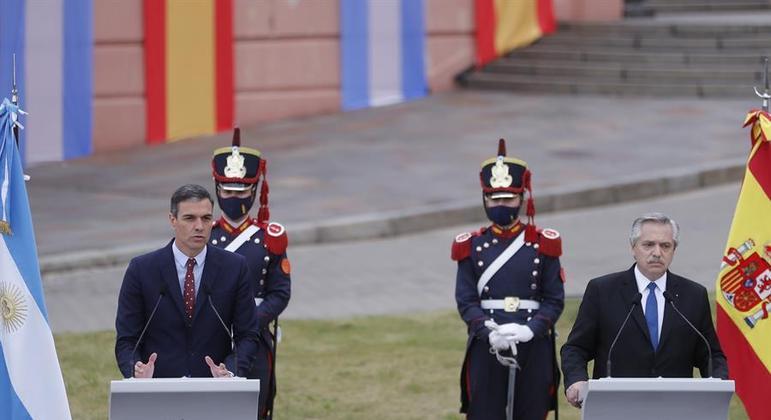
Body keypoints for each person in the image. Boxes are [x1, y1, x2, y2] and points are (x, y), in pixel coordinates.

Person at [560, 212, 729, 408]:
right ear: (633, 247)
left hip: (675, 408)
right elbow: (576, 348)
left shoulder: (694, 295)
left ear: (674, 249)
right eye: (648, 245)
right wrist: (576, 381)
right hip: (615, 407)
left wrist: (718, 385)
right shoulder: (603, 291)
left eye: (665, 246)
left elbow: (711, 355)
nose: (657, 252)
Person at [453, 139, 565, 419]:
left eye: (508, 198)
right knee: (484, 411)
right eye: (494, 199)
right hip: (487, 340)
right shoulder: (472, 245)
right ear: (485, 199)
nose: (501, 205)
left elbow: (554, 299)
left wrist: (532, 329)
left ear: (522, 198)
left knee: (532, 410)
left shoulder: (543, 243)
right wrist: (487, 330)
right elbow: (466, 300)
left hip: (532, 341)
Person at [115, 184, 259, 379]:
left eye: (206, 218)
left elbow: (248, 336)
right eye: (190, 218)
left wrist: (230, 371)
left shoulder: (234, 267)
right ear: (172, 220)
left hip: (215, 389)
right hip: (158, 388)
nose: (199, 226)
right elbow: (126, 339)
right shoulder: (141, 269)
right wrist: (136, 369)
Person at [210, 128, 290, 419]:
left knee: (256, 408)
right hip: (210, 336)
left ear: (255, 190)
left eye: (240, 191)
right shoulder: (205, 236)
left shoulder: (270, 238)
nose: (233, 197)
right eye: (227, 191)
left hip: (254, 337)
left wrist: (248, 322)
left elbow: (280, 292)